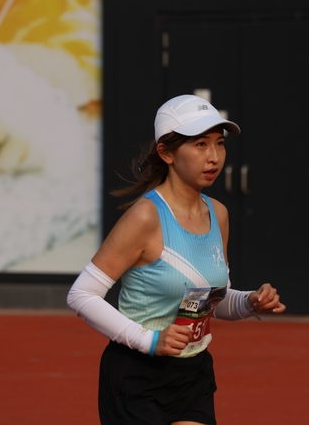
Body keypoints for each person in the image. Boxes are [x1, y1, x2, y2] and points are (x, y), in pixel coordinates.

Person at [67, 94, 286, 425]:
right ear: (166, 152)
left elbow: (211, 300)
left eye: (219, 144)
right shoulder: (145, 217)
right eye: (200, 144)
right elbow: (81, 294)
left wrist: (249, 302)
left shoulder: (219, 214)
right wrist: (150, 340)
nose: (214, 157)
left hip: (193, 374)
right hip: (137, 377)